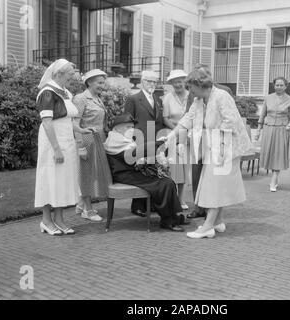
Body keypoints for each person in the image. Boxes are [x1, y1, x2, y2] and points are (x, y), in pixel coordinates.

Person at [163, 69, 253, 239]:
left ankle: (207, 227)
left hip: (226, 148)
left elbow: (231, 121)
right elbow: (187, 120)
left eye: (191, 87)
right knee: (216, 184)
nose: (190, 91)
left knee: (214, 186)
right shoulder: (199, 100)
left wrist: (219, 145)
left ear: (199, 84)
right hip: (212, 147)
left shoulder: (221, 96)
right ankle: (218, 221)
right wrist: (170, 136)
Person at [34, 59, 92, 236]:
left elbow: (67, 118)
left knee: (63, 180)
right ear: (59, 73)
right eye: (69, 75)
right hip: (53, 142)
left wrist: (80, 129)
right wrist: (57, 149)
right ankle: (46, 220)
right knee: (49, 178)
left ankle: (59, 220)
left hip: (67, 141)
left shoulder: (65, 92)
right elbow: (47, 123)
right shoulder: (47, 93)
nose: (71, 79)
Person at [104, 113, 190, 232]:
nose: (131, 129)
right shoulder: (115, 141)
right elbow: (134, 154)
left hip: (130, 171)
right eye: (127, 127)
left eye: (132, 127)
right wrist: (157, 144)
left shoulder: (120, 140)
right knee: (165, 183)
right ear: (117, 129)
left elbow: (134, 156)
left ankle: (174, 216)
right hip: (125, 175)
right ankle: (168, 220)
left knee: (167, 181)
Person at [185, 64, 234, 219]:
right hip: (199, 137)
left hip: (216, 139)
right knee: (197, 172)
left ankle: (213, 210)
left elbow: (230, 116)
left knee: (214, 174)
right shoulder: (193, 92)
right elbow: (189, 113)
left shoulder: (224, 92)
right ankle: (198, 206)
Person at [123, 70, 165, 217]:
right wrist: (130, 141)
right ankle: (137, 205)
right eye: (148, 81)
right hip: (139, 140)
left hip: (155, 141)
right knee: (141, 173)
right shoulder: (133, 99)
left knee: (154, 172)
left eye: (154, 81)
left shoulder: (158, 100)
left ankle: (151, 203)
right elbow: (127, 122)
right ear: (142, 82)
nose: (152, 84)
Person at [73, 69, 113, 222]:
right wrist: (80, 146)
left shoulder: (97, 98)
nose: (102, 86)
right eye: (99, 83)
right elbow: (75, 123)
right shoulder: (81, 98)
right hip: (87, 139)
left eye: (103, 83)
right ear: (89, 82)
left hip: (98, 139)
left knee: (94, 175)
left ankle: (81, 204)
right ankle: (88, 211)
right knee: (86, 176)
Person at [255, 77, 290, 192]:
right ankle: (275, 177)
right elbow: (262, 115)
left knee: (278, 154)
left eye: (281, 85)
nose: (279, 87)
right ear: (274, 86)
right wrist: (258, 130)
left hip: (282, 129)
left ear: (285, 86)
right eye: (277, 85)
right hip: (268, 128)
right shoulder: (268, 98)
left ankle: (273, 179)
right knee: (270, 154)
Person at [163, 69, 190, 210]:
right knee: (174, 169)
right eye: (175, 83)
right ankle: (172, 199)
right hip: (173, 135)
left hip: (188, 136)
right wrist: (176, 131)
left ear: (184, 82)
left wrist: (185, 132)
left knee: (184, 169)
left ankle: (181, 199)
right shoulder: (167, 97)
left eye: (180, 81)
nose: (178, 84)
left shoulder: (191, 96)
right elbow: (165, 118)